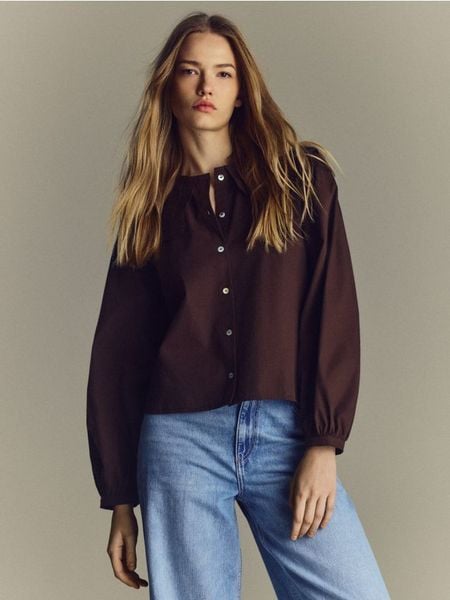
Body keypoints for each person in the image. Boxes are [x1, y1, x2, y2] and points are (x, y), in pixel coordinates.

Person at [86, 11, 391, 600]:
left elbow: (331, 312)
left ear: (242, 89)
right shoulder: (148, 211)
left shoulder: (301, 180)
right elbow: (118, 357)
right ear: (167, 86)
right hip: (180, 442)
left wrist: (323, 443)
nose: (207, 86)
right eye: (190, 71)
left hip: (286, 434)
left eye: (223, 73)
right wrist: (120, 497)